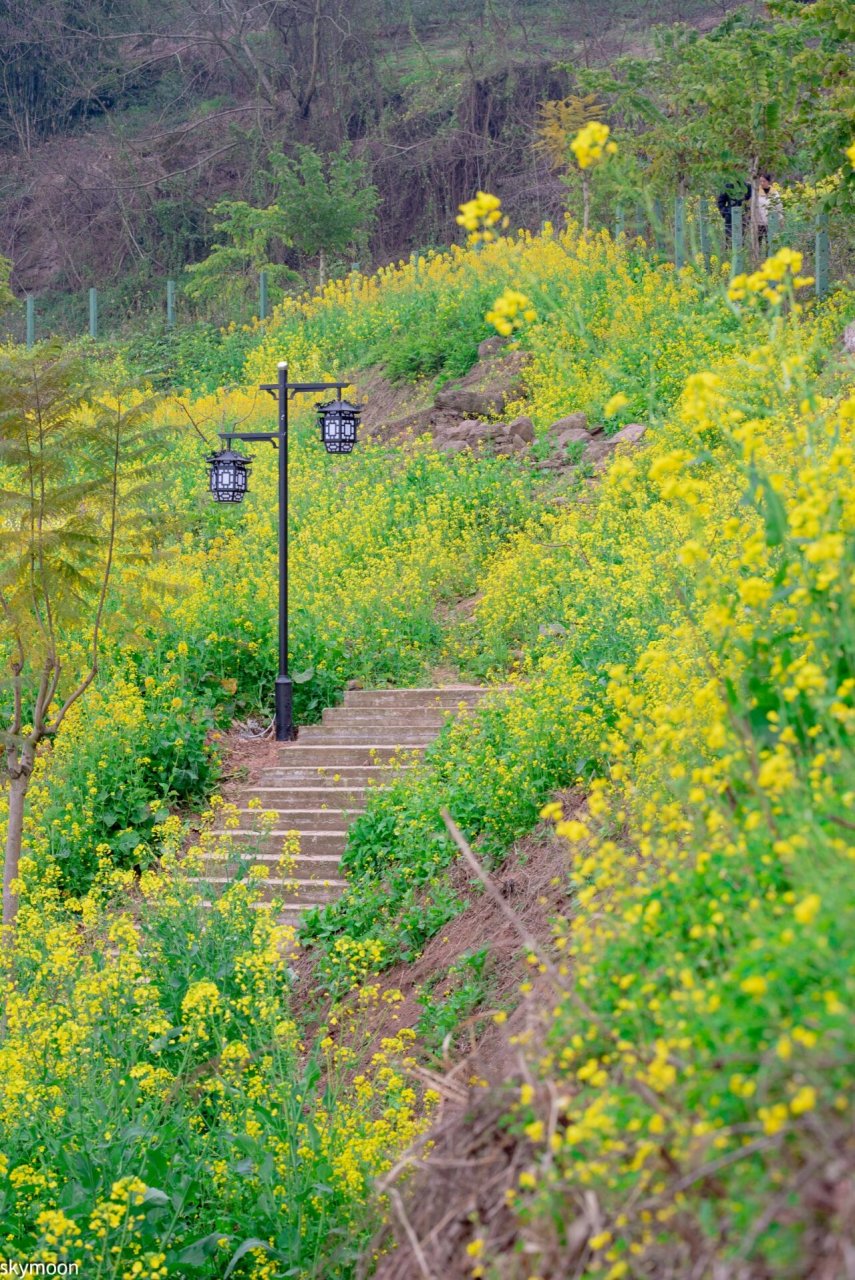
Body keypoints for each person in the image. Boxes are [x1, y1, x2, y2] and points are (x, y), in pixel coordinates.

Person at [716, 180, 751, 247]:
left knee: (741, 242)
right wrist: (726, 213)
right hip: (730, 219)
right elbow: (720, 202)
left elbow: (751, 201)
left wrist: (748, 215)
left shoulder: (748, 186)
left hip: (743, 219)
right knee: (729, 242)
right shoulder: (727, 186)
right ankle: (728, 256)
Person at [756, 174, 782, 251]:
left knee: (770, 242)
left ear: (768, 181)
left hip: (771, 222)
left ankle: (769, 258)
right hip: (759, 222)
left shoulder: (775, 193)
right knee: (758, 242)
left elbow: (779, 207)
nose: (762, 183)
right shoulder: (757, 192)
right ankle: (758, 259)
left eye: (764, 181)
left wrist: (780, 219)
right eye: (760, 181)